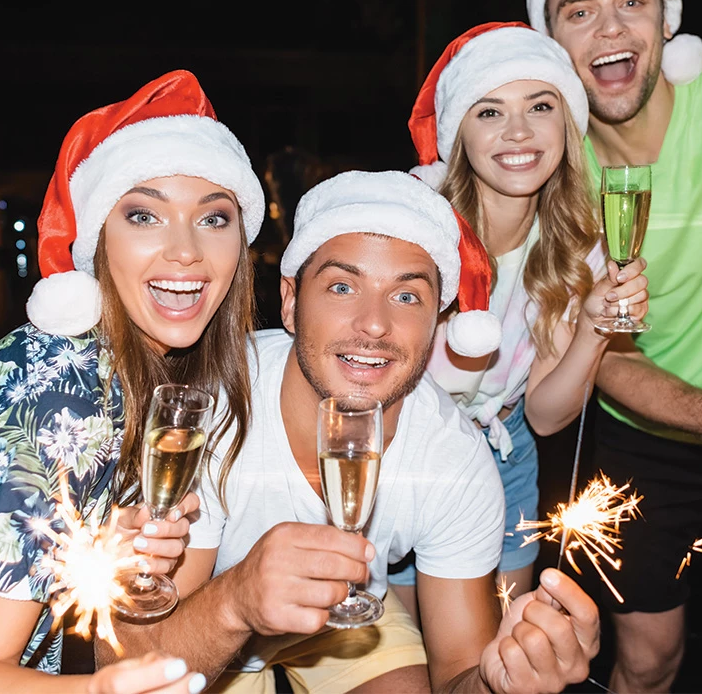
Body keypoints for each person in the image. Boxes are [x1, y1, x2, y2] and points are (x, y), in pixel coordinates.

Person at [97, 169, 601, 694]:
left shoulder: (454, 458)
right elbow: (125, 660)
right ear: (291, 302)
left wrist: (503, 681)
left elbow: (459, 675)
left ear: (438, 321)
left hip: (351, 626)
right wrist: (237, 600)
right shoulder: (206, 413)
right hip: (211, 616)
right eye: (342, 287)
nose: (375, 324)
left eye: (407, 297)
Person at [0, 69, 266, 693]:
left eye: (214, 219)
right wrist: (102, 691)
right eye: (144, 216)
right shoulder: (68, 393)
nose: (186, 250)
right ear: (97, 240)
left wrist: (103, 550)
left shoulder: (105, 367)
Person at [525, 0, 702, 692]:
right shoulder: (545, 168)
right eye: (577, 11)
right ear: (551, 43)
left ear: (667, 17)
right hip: (645, 433)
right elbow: (602, 358)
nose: (609, 28)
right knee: (649, 662)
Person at [387, 21, 649, 623]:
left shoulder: (578, 247)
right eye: (489, 112)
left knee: (492, 650)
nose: (519, 132)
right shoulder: (413, 225)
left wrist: (593, 327)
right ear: (460, 133)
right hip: (404, 449)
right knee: (409, 655)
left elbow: (546, 414)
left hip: (506, 454)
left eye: (540, 106)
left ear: (567, 123)